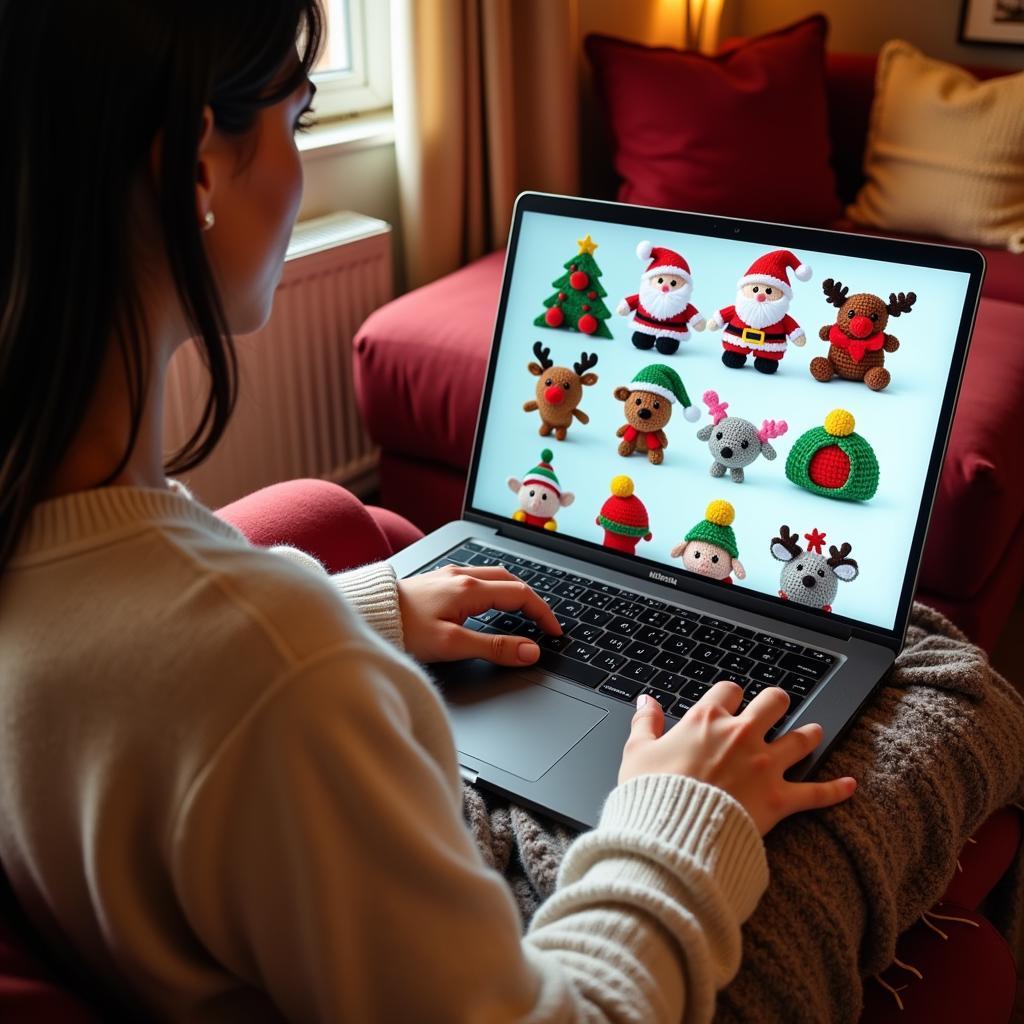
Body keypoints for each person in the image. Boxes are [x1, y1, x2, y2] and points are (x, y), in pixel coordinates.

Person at [0, 1, 857, 1020]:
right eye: (300, 117)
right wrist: (678, 815)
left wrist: (350, 616)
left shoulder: (54, 520)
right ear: (193, 167)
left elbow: (161, 656)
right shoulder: (269, 676)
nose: (300, 158)